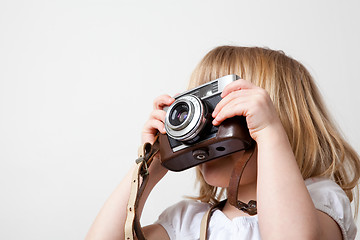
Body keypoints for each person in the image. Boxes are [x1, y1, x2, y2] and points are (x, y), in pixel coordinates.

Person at [85, 46, 360, 240]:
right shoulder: (186, 222)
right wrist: (149, 165)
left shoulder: (319, 201)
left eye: (219, 110)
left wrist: (269, 133)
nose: (203, 127)